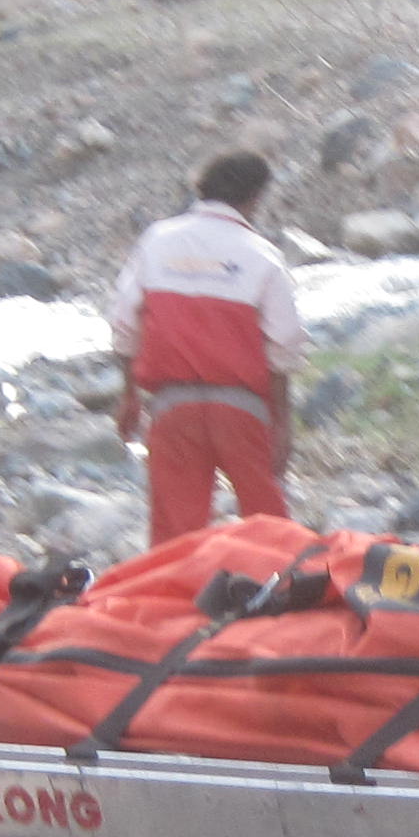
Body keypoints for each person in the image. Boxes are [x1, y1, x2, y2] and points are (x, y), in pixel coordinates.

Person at [107, 150, 306, 545]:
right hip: (242, 410)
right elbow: (283, 346)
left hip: (171, 408)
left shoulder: (157, 241)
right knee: (270, 528)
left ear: (203, 188)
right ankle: (282, 594)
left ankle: (172, 601)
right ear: (256, 197)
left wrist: (129, 396)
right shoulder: (262, 255)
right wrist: (281, 423)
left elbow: (123, 324)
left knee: (174, 538)